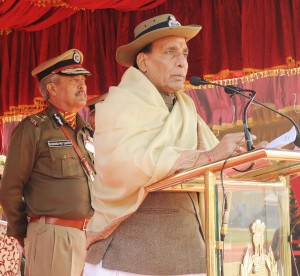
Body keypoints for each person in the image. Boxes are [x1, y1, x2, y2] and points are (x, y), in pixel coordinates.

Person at [84, 14, 254, 276]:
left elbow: (213, 158)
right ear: (143, 62)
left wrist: (252, 156)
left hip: (191, 250)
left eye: (184, 53)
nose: (182, 62)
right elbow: (128, 165)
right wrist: (210, 156)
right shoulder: (118, 105)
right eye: (170, 52)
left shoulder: (185, 107)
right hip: (130, 254)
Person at [0, 49, 95, 276]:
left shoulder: (84, 131)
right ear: (51, 88)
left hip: (87, 236)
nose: (82, 85)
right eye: (74, 80)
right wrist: (27, 233)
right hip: (52, 235)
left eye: (83, 79)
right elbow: (10, 188)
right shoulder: (33, 128)